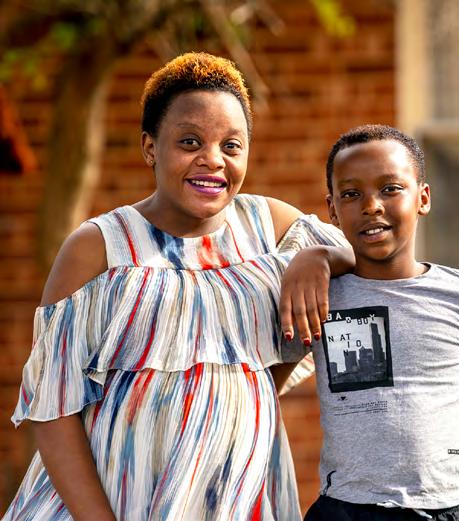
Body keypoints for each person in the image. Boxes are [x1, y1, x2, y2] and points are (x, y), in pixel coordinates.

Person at [3, 52, 351, 521]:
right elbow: (52, 410)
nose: (213, 160)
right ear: (150, 147)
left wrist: (322, 256)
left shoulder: (272, 228)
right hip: (119, 499)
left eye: (232, 145)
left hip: (234, 497)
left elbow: (367, 263)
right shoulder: (100, 247)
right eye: (190, 142)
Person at [285, 125, 459, 521]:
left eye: (390, 188)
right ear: (332, 209)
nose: (371, 205)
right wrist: (313, 257)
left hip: (447, 509)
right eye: (351, 194)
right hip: (346, 512)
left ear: (423, 198)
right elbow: (262, 390)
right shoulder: (320, 294)